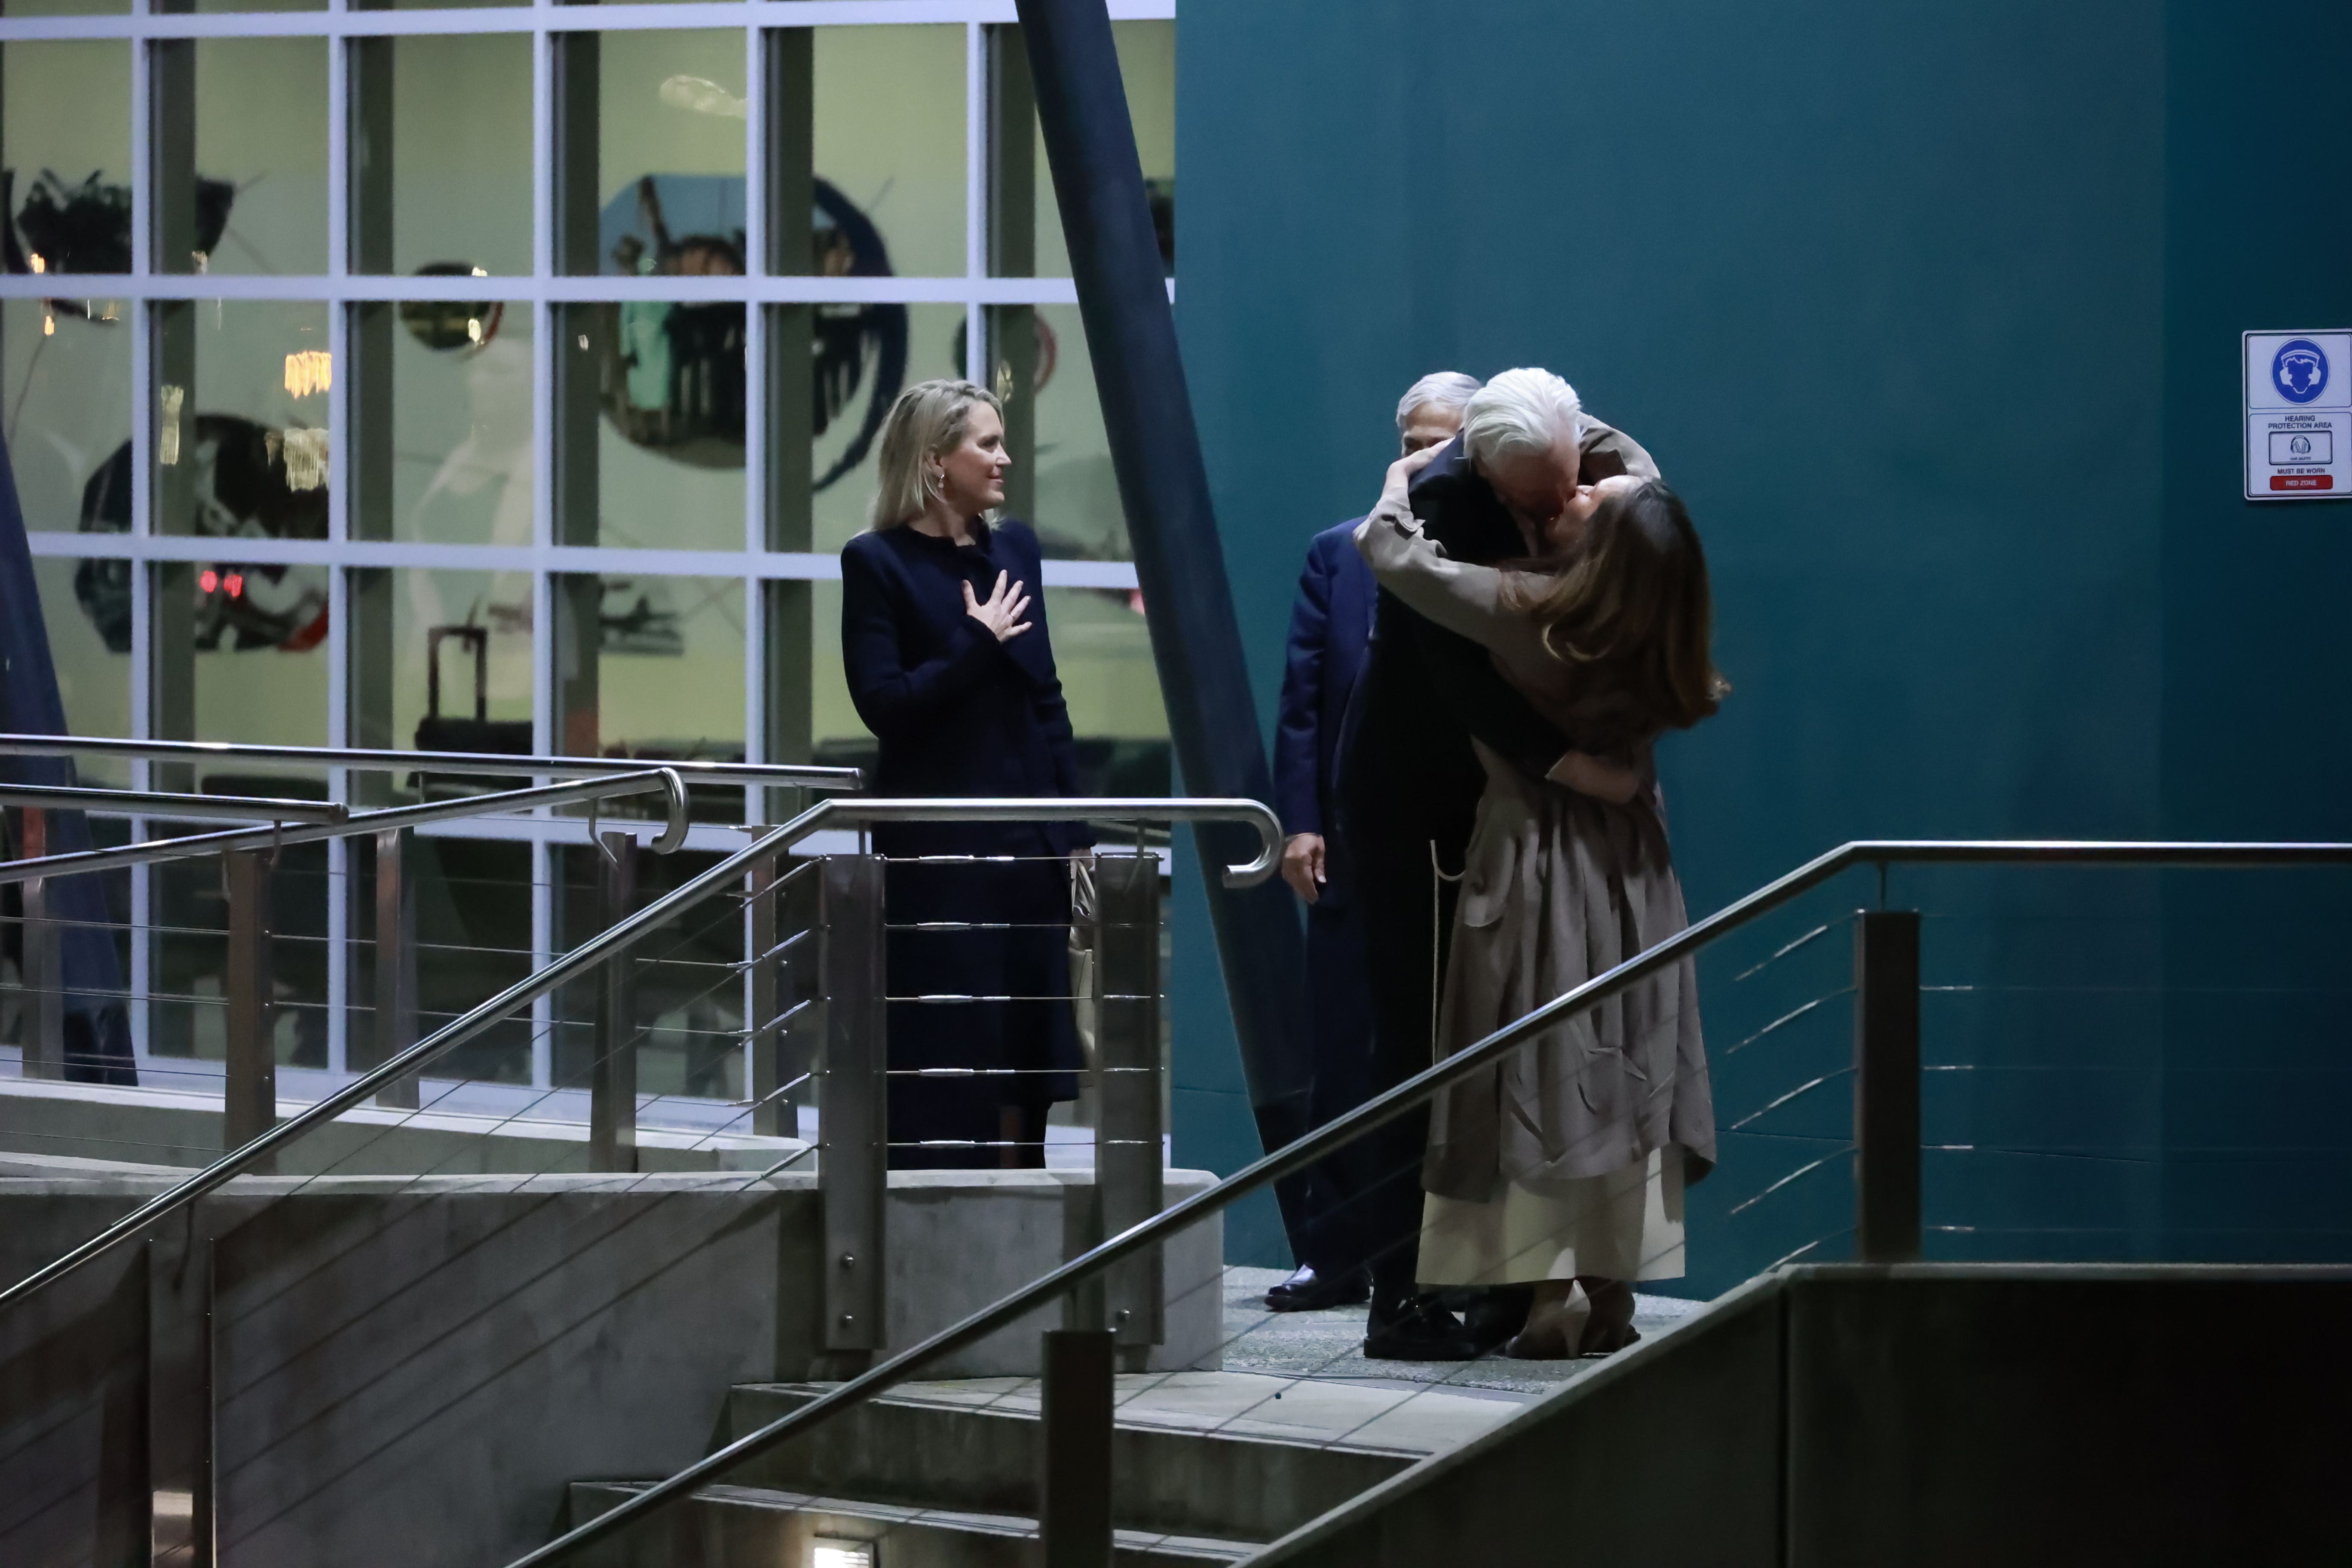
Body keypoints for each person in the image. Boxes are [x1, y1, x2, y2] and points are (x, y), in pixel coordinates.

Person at [1358, 465, 1723, 1357]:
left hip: (1537, 858)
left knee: (1542, 1066)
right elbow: (1648, 492)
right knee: (1624, 1064)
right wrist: (1588, 448)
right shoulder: (1657, 613)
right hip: (1634, 865)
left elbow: (1396, 557)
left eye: (1586, 500)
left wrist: (1405, 475)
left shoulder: (1531, 608)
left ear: (1604, 547)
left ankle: (1548, 1291)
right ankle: (1610, 1291)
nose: (1570, 497)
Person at [1265, 371, 1482, 1313]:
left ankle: (1449, 1253)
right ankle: (1336, 1249)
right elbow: (1304, 700)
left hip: (1457, 846)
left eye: (1443, 443)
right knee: (1343, 1052)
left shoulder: (1491, 551)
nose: (1423, 458)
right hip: (1353, 841)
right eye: (1412, 441)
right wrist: (1299, 823)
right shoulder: (1339, 553)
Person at [839, 379, 1088, 1168]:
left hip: (1028, 848)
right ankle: (946, 1238)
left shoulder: (1015, 550)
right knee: (951, 1057)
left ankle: (1029, 1233)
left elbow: (1045, 695)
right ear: (934, 459)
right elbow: (886, 706)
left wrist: (1074, 832)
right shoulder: (876, 562)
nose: (1004, 457)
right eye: (987, 442)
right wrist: (973, 642)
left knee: (1028, 1059)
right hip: (938, 858)